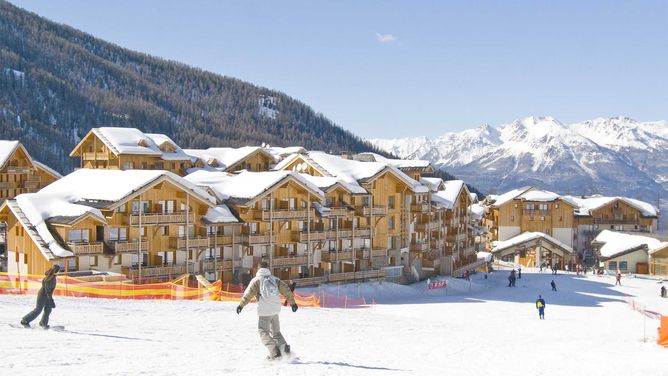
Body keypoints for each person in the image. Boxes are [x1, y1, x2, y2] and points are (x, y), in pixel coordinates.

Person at [237, 261, 298, 359]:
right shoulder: (275, 279)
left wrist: (241, 305)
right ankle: (285, 348)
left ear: (258, 269)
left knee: (263, 331)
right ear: (267, 269)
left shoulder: (256, 280)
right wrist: (293, 303)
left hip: (264, 312)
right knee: (276, 332)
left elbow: (248, 294)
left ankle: (274, 351)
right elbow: (286, 290)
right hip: (275, 310)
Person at [21, 264, 60, 328]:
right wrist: (51, 301)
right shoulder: (49, 279)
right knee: (38, 309)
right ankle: (25, 320)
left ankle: (43, 323)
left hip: (48, 296)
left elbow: (49, 292)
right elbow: (47, 291)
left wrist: (50, 300)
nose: (59, 272)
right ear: (56, 271)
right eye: (59, 271)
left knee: (48, 309)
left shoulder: (53, 277)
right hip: (42, 295)